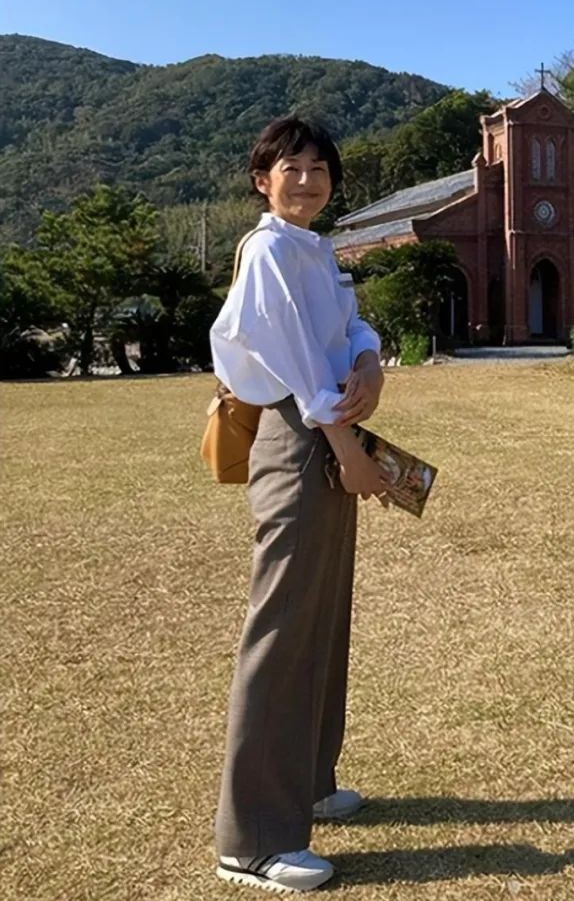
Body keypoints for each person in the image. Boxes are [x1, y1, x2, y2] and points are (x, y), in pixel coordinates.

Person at [208, 114, 392, 893]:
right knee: (283, 624)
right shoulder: (270, 249)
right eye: (292, 168)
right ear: (263, 179)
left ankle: (310, 779)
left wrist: (370, 359)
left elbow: (346, 329)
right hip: (299, 433)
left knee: (322, 611)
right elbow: (285, 357)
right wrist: (347, 446)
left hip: (330, 425)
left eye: (319, 168)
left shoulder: (317, 250)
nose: (308, 180)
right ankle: (252, 838)